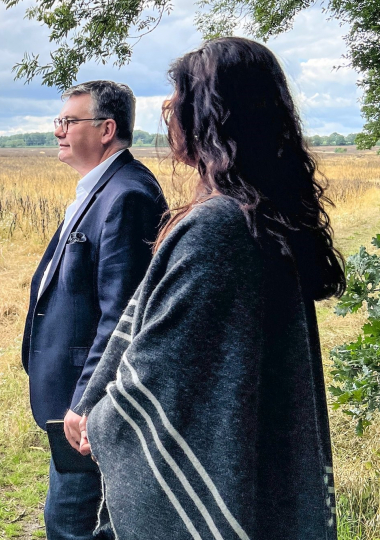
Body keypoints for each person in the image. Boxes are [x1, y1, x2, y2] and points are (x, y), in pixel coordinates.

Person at [71, 37, 345, 539]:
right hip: (259, 461)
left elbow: (159, 372)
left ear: (210, 117)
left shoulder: (220, 226)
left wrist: (102, 419)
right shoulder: (262, 212)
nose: (168, 114)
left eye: (177, 101)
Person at [21, 80, 168, 539]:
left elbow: (122, 316)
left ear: (106, 129)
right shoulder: (101, 187)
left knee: (69, 524)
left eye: (68, 121)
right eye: (58, 121)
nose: (58, 131)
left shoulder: (127, 195)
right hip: (76, 395)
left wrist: (86, 400)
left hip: (92, 402)